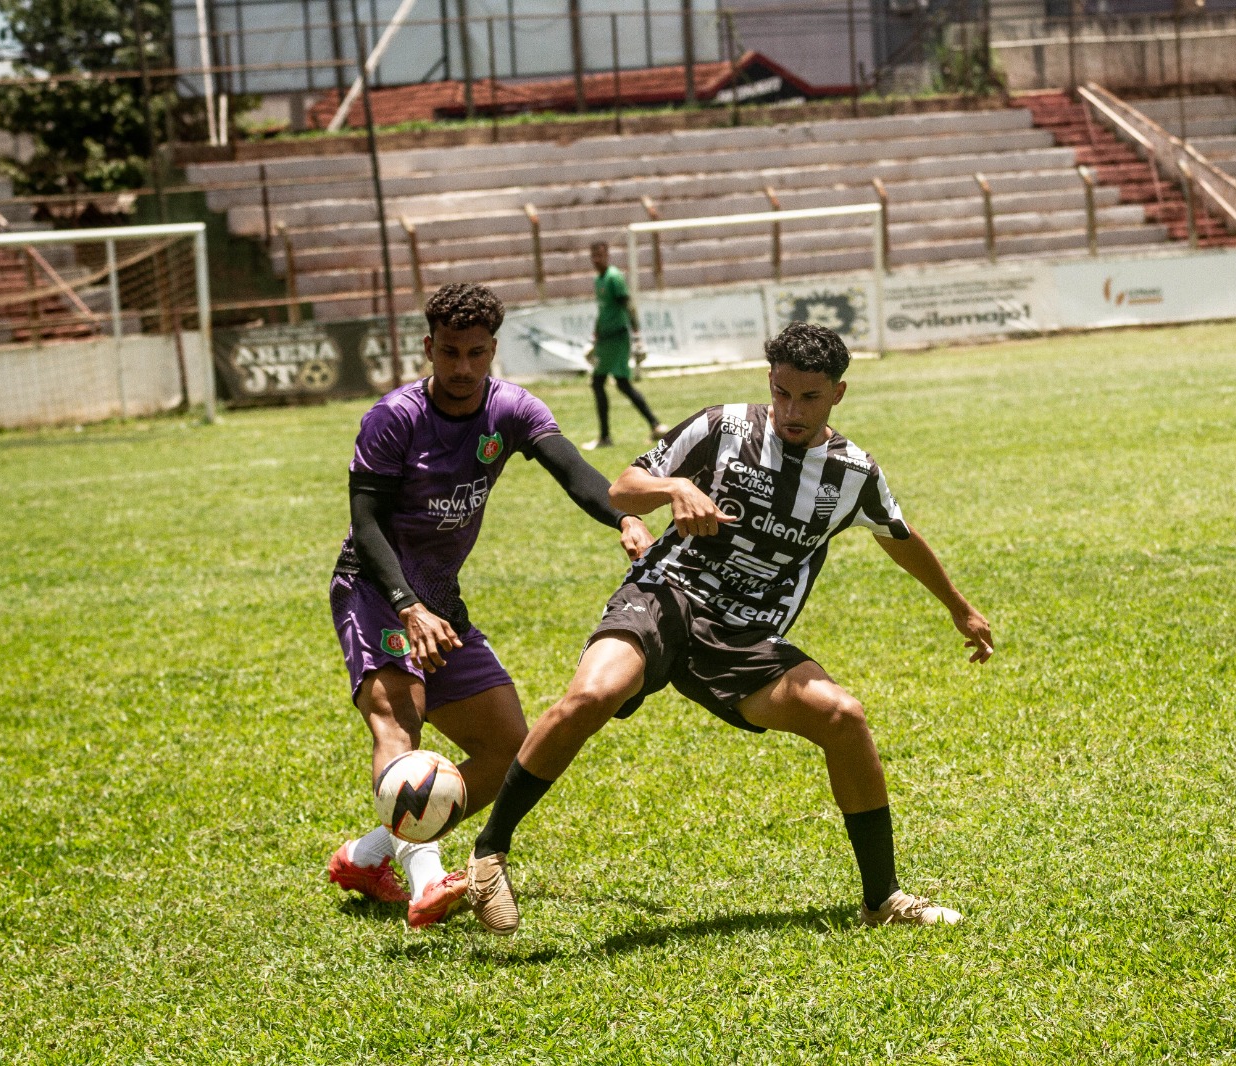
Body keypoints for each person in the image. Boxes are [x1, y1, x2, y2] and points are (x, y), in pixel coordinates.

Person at [464, 321, 994, 935]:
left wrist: (959, 607)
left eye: (810, 398)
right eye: (782, 393)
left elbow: (898, 538)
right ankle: (489, 852)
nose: (792, 411)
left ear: (839, 394)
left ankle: (883, 900)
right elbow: (623, 490)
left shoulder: (853, 473)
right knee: (594, 694)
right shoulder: (720, 428)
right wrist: (674, 486)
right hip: (664, 594)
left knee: (843, 718)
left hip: (744, 635)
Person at [326, 282, 653, 929]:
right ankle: (425, 878)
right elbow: (365, 524)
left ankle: (367, 856)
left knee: (510, 746)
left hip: (443, 603)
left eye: (476, 353)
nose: (463, 368)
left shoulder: (511, 410)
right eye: (450, 352)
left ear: (493, 351)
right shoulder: (393, 418)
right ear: (429, 348)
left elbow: (576, 472)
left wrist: (622, 519)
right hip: (376, 591)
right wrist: (408, 607)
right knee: (401, 725)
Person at [584, 240, 668, 450]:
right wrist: (595, 335)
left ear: (607, 255)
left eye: (600, 255)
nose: (596, 260)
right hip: (606, 339)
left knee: (599, 382)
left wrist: (637, 334)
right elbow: (603, 310)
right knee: (621, 384)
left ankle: (605, 437)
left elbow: (627, 305)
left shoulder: (613, 277)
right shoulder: (598, 280)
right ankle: (655, 425)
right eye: (593, 256)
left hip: (617, 338)